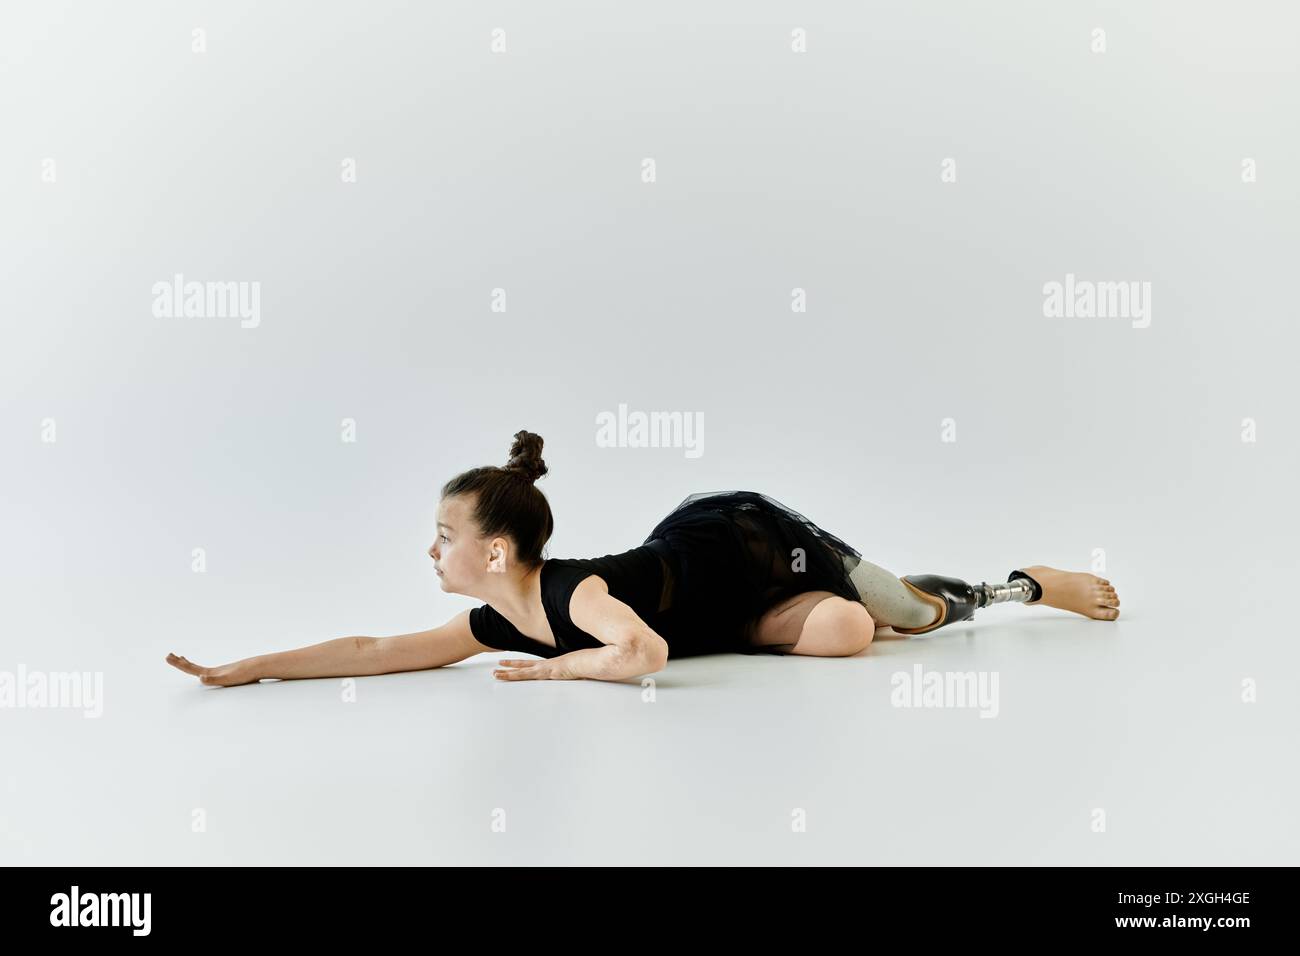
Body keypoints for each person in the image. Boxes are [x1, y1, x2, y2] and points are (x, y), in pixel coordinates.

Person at [167, 429, 1121, 686]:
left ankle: (1026, 585)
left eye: (445, 538)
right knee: (844, 634)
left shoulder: (576, 597)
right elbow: (378, 651)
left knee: (909, 616)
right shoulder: (497, 618)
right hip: (722, 612)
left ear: (497, 551)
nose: (432, 550)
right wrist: (255, 666)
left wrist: (561, 674)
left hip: (748, 541)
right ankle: (792, 625)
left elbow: (644, 656)